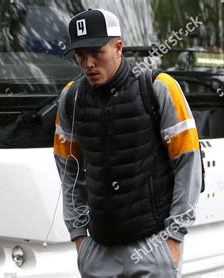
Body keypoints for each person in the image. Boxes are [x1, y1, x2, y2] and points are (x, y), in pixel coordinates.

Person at [53, 9, 202, 277]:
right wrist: (79, 238)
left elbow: (189, 163)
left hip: (153, 247)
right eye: (80, 55)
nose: (88, 63)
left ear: (118, 47)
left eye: (96, 53)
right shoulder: (70, 98)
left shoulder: (160, 87)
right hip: (97, 252)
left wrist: (174, 238)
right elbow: (68, 169)